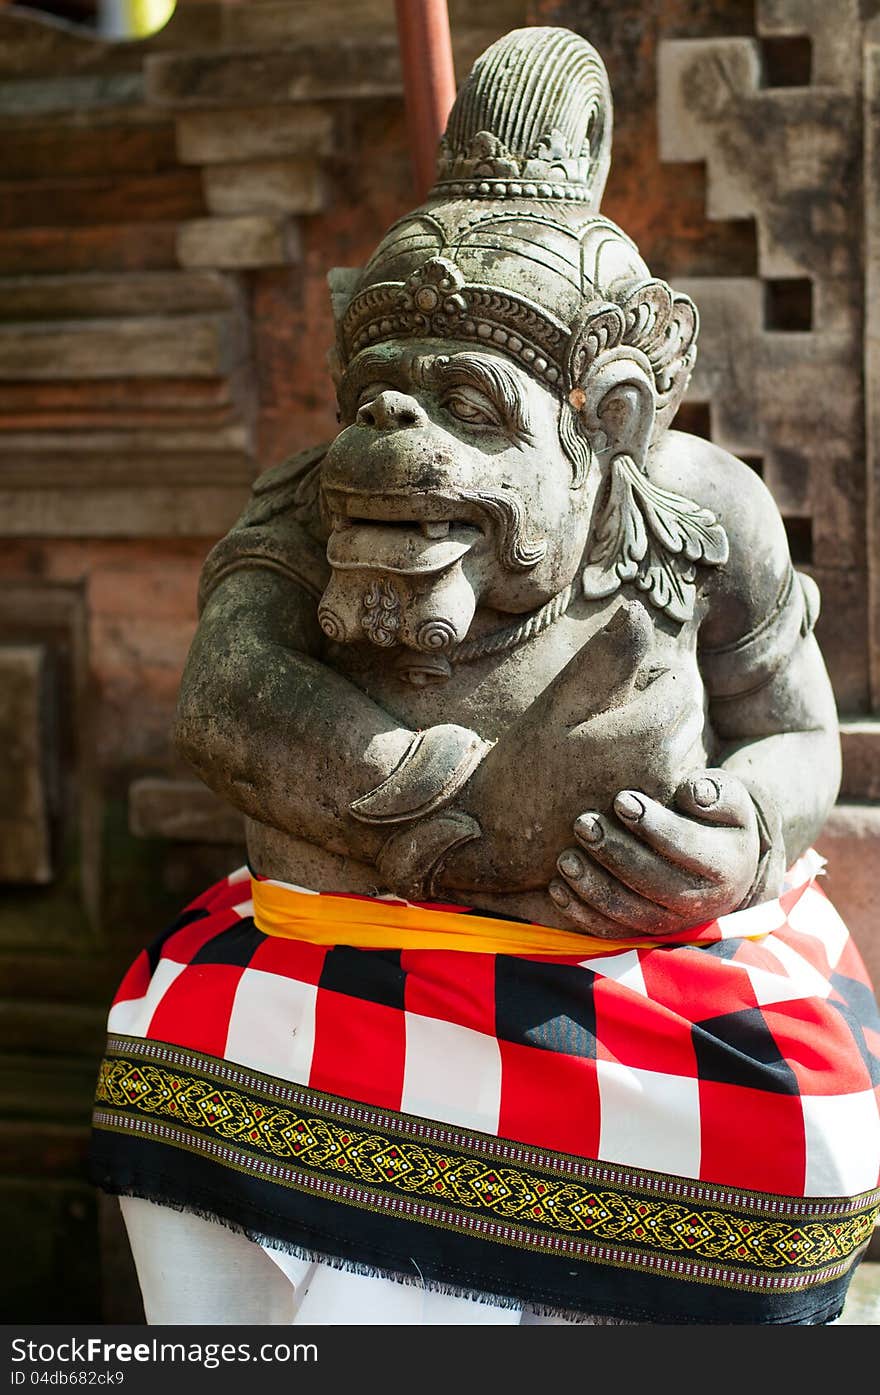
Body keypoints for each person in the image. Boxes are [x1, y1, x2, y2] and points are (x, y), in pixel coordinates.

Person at [90, 27, 880, 1325]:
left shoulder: (696, 512)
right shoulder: (308, 495)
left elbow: (794, 732)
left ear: (608, 417)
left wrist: (744, 833)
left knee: (802, 1122)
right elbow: (227, 696)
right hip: (338, 982)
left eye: (467, 398)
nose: (396, 427)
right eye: (379, 391)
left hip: (632, 1003)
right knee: (170, 1053)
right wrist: (421, 799)